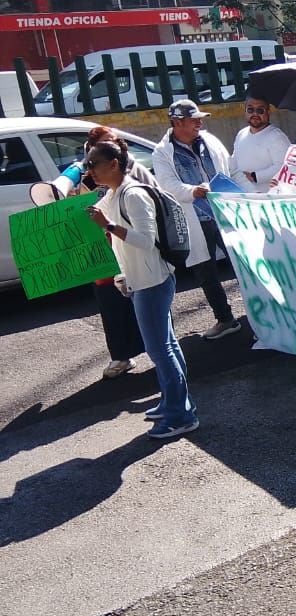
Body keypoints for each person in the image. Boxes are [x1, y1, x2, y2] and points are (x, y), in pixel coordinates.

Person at [85, 141, 199, 440]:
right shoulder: (113, 194)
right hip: (141, 281)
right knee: (167, 346)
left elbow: (145, 241)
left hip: (153, 282)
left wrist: (107, 225)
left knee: (160, 350)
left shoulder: (133, 195)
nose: (90, 170)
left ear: (113, 164)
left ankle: (181, 416)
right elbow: (113, 230)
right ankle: (174, 404)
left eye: (94, 163)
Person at [49, 125, 151, 379]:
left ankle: (160, 348)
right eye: (105, 144)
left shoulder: (133, 170)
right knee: (111, 305)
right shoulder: (86, 176)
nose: (113, 146)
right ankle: (121, 356)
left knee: (146, 299)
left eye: (114, 142)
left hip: (130, 244)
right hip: (103, 251)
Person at [152, 99, 241, 341]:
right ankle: (225, 319)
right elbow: (168, 186)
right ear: (177, 122)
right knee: (205, 272)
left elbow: (231, 167)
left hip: (224, 213)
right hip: (196, 219)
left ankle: (262, 311)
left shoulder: (209, 141)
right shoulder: (162, 153)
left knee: (243, 263)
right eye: (194, 120)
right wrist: (193, 191)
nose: (200, 123)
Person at [230, 96, 291, 193]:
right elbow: (234, 163)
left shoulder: (277, 136)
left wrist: (255, 176)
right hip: (246, 197)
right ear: (245, 111)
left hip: (270, 198)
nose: (255, 114)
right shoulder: (241, 134)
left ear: (268, 112)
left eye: (260, 110)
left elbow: (284, 166)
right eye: (250, 110)